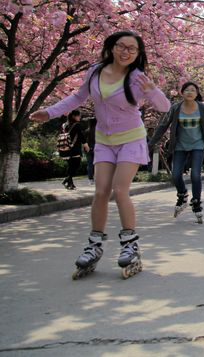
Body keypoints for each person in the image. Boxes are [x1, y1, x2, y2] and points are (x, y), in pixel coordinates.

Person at [31, 31, 170, 279]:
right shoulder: (95, 71)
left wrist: (153, 91)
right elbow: (77, 97)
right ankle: (94, 245)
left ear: (138, 54)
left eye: (132, 49)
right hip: (105, 140)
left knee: (120, 189)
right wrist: (50, 113)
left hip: (131, 138)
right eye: (121, 46)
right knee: (100, 191)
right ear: (111, 47)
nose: (126, 52)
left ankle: (130, 244)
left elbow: (164, 107)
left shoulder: (137, 78)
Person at [149, 81, 204, 224]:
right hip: (180, 145)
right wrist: (151, 143)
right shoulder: (175, 108)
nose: (189, 92)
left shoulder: (202, 108)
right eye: (187, 90)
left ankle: (196, 202)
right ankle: (182, 194)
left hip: (198, 145)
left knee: (195, 175)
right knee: (176, 175)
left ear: (197, 93)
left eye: (193, 90)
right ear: (182, 93)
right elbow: (163, 125)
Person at [57, 109, 88, 190]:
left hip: (65, 148)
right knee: (76, 164)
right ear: (74, 116)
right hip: (74, 148)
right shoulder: (76, 125)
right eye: (79, 116)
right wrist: (86, 145)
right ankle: (67, 179)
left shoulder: (64, 125)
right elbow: (81, 136)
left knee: (71, 165)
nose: (80, 117)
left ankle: (70, 183)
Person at [86, 117, 96, 184]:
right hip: (96, 148)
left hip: (88, 148)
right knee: (97, 163)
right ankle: (97, 177)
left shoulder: (87, 131)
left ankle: (90, 179)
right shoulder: (97, 131)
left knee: (90, 164)